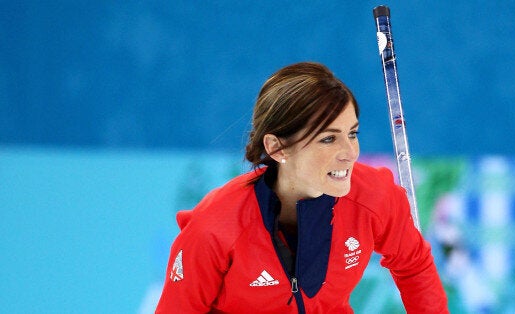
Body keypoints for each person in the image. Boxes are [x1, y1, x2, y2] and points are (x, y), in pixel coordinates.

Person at [156, 62, 448, 313]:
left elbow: (414, 267)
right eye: (328, 139)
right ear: (277, 147)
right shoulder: (215, 228)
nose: (350, 152)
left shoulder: (375, 197)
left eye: (352, 133)